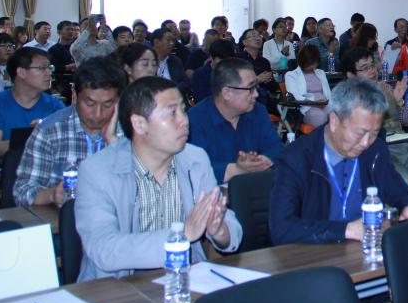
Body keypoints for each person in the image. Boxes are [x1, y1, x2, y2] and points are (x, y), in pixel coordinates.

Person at [75, 76, 241, 280]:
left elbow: (229, 226)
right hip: (119, 286)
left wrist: (220, 230)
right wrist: (181, 236)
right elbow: (104, 249)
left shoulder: (195, 159)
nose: (184, 120)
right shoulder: (97, 171)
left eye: (183, 110)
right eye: (172, 113)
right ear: (139, 124)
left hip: (184, 279)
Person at [269, 77, 408, 245]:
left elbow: (403, 195)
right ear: (334, 121)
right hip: (315, 252)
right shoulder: (296, 159)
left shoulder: (375, 151)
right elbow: (281, 229)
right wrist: (346, 230)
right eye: (359, 133)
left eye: (374, 134)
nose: (365, 143)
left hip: (365, 249)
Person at [14, 56, 126, 206]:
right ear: (74, 94)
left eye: (107, 104)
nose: (98, 113)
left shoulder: (131, 131)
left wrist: (115, 145)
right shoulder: (50, 131)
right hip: (66, 217)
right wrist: (52, 194)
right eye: (90, 103)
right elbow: (21, 192)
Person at [343, 47, 408, 208]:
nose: (372, 71)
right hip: (382, 155)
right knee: (402, 183)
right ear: (351, 75)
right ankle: (403, 221)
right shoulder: (349, 99)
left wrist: (400, 102)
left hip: (406, 149)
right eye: (365, 68)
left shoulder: (385, 88)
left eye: (372, 65)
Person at [187, 58, 282, 183]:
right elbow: (194, 168)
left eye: (256, 87)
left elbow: (277, 148)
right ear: (227, 93)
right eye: (250, 88)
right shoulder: (195, 119)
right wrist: (237, 169)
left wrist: (259, 161)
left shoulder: (258, 111)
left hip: (257, 187)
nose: (256, 94)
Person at [0, 46, 65, 131]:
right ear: (21, 72)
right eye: (42, 68)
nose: (49, 73)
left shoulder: (54, 105)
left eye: (50, 68)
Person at [284, 43, 331, 128]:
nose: (313, 65)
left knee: (340, 113)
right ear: (303, 61)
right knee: (320, 116)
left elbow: (329, 93)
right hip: (308, 107)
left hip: (325, 104)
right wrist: (315, 103)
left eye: (314, 63)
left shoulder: (320, 73)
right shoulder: (291, 75)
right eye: (310, 63)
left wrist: (328, 103)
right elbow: (295, 97)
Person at [151, 27, 188, 93]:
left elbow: (185, 83)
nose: (172, 43)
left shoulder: (175, 61)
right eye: (168, 40)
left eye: (173, 41)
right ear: (156, 42)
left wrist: (171, 91)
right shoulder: (147, 62)